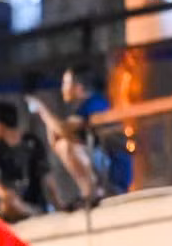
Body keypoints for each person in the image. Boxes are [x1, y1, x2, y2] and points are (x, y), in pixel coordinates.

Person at [29, 67, 126, 205]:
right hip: (103, 164)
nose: (62, 89)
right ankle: (89, 192)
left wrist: (42, 110)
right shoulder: (83, 107)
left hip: (114, 168)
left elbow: (63, 130)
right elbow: (57, 137)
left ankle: (93, 192)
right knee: (64, 144)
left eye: (65, 83)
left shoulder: (95, 103)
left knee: (67, 146)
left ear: (78, 88)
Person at [0, 101, 51, 220]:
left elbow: (46, 176)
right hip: (11, 200)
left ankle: (34, 211)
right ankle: (29, 212)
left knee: (11, 206)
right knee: (6, 206)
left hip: (33, 199)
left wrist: (58, 203)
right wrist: (5, 194)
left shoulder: (32, 143)